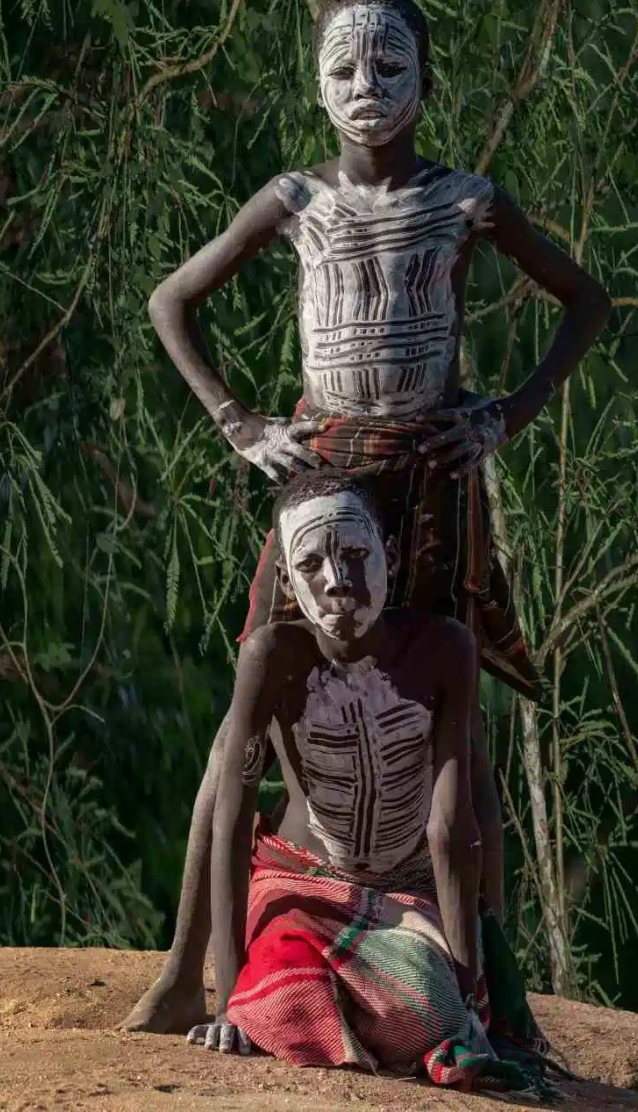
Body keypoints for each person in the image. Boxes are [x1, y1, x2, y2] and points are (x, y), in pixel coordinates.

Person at [120, 0, 610, 1034]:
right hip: (320, 483)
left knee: (457, 722)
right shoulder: (295, 199)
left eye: (390, 64)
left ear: (426, 82)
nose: (365, 85)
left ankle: (497, 995)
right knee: (249, 713)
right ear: (314, 84)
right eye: (342, 66)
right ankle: (184, 968)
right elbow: (171, 300)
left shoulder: (468, 201)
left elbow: (586, 300)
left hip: (432, 477)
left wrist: (506, 415)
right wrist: (236, 420)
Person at [186, 468, 557, 1096]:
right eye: (311, 565)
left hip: (409, 892)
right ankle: (320, 1015)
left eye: (356, 555)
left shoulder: (442, 651)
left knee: (430, 999)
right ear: (287, 582)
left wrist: (469, 995)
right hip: (302, 883)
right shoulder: (272, 659)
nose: (337, 580)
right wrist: (228, 1001)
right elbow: (232, 818)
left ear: (390, 554)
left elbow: (451, 824)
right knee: (279, 985)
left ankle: (411, 1020)